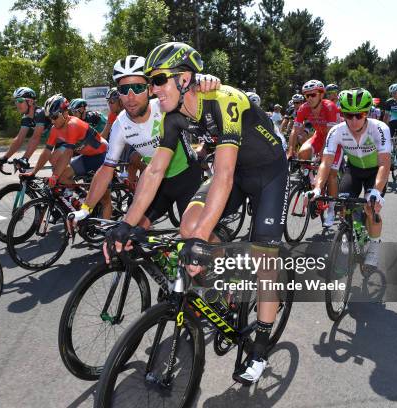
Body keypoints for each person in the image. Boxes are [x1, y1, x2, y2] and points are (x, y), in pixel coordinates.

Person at [106, 42, 288, 385]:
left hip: (267, 174)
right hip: (231, 173)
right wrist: (126, 223)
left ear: (185, 78)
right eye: (150, 82)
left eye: (159, 80)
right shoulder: (172, 118)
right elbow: (154, 172)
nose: (152, 90)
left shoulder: (224, 99)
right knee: (189, 225)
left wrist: (202, 241)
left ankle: (260, 346)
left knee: (265, 259)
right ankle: (229, 278)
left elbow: (223, 175)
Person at [69, 55, 221, 224]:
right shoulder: (120, 125)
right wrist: (85, 209)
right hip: (157, 184)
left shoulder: (165, 106)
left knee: (192, 234)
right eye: (124, 90)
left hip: (187, 178)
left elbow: (187, 90)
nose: (131, 96)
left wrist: (203, 82)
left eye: (137, 87)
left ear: (150, 89)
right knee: (129, 233)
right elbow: (106, 169)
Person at [310, 88, 390, 270]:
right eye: (348, 115)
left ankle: (374, 247)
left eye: (359, 115)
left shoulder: (379, 128)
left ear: (367, 113)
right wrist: (317, 187)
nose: (353, 120)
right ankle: (348, 233)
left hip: (375, 172)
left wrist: (377, 191)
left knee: (371, 209)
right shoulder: (337, 131)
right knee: (343, 203)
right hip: (353, 170)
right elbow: (326, 162)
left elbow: (385, 164)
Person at [23, 94, 112, 216]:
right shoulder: (55, 129)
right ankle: (84, 197)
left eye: (54, 117)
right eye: (50, 118)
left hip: (102, 156)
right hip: (87, 157)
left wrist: (54, 176)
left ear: (65, 113)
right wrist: (33, 172)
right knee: (62, 177)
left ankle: (107, 231)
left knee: (105, 200)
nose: (52, 121)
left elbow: (68, 154)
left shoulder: (73, 125)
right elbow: (47, 152)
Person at [287, 79, 341, 227]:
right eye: (306, 95)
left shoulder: (329, 107)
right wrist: (290, 151)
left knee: (331, 174)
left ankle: (331, 209)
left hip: (335, 139)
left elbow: (330, 136)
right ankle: (313, 182)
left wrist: (321, 155)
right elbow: (295, 130)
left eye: (313, 95)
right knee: (303, 152)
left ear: (321, 94)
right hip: (319, 136)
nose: (309, 98)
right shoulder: (303, 108)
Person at [0, 87, 52, 170]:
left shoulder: (40, 113)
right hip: (51, 141)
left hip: (63, 139)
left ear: (31, 102)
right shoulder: (26, 118)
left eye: (20, 101)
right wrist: (5, 158)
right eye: (16, 101)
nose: (17, 104)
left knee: (52, 159)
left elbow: (36, 138)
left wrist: (25, 158)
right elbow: (19, 139)